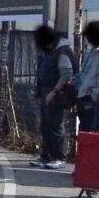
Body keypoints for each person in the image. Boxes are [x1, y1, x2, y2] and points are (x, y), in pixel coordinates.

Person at [32, 24, 76, 169]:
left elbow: (66, 74)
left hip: (57, 95)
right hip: (46, 92)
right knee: (45, 126)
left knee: (55, 125)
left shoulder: (62, 52)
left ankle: (59, 157)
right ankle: (46, 156)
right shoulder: (50, 51)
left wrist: (54, 91)